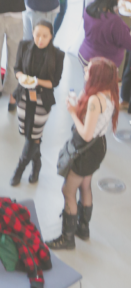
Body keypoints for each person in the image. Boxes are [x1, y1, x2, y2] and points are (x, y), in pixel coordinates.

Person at [47, 58, 119, 250]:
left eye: (89, 69)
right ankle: (83, 228)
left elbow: (86, 134)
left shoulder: (95, 100)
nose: (85, 70)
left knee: (68, 191)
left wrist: (71, 111)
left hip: (85, 149)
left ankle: (67, 238)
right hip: (98, 147)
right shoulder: (109, 94)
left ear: (98, 76)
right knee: (85, 185)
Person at [10, 21, 65, 186]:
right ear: (32, 34)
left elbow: (54, 82)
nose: (40, 39)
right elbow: (17, 68)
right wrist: (21, 77)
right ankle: (37, 165)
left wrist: (35, 81)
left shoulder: (58, 55)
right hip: (24, 96)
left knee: (32, 136)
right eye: (37, 35)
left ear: (51, 37)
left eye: (45, 36)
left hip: (42, 99)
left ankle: (19, 169)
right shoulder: (24, 45)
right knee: (31, 134)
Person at [78, 0, 131, 70]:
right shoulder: (114, 21)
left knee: (89, 81)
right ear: (113, 0)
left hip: (85, 54)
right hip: (102, 64)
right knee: (98, 84)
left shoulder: (89, 7)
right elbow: (128, 43)